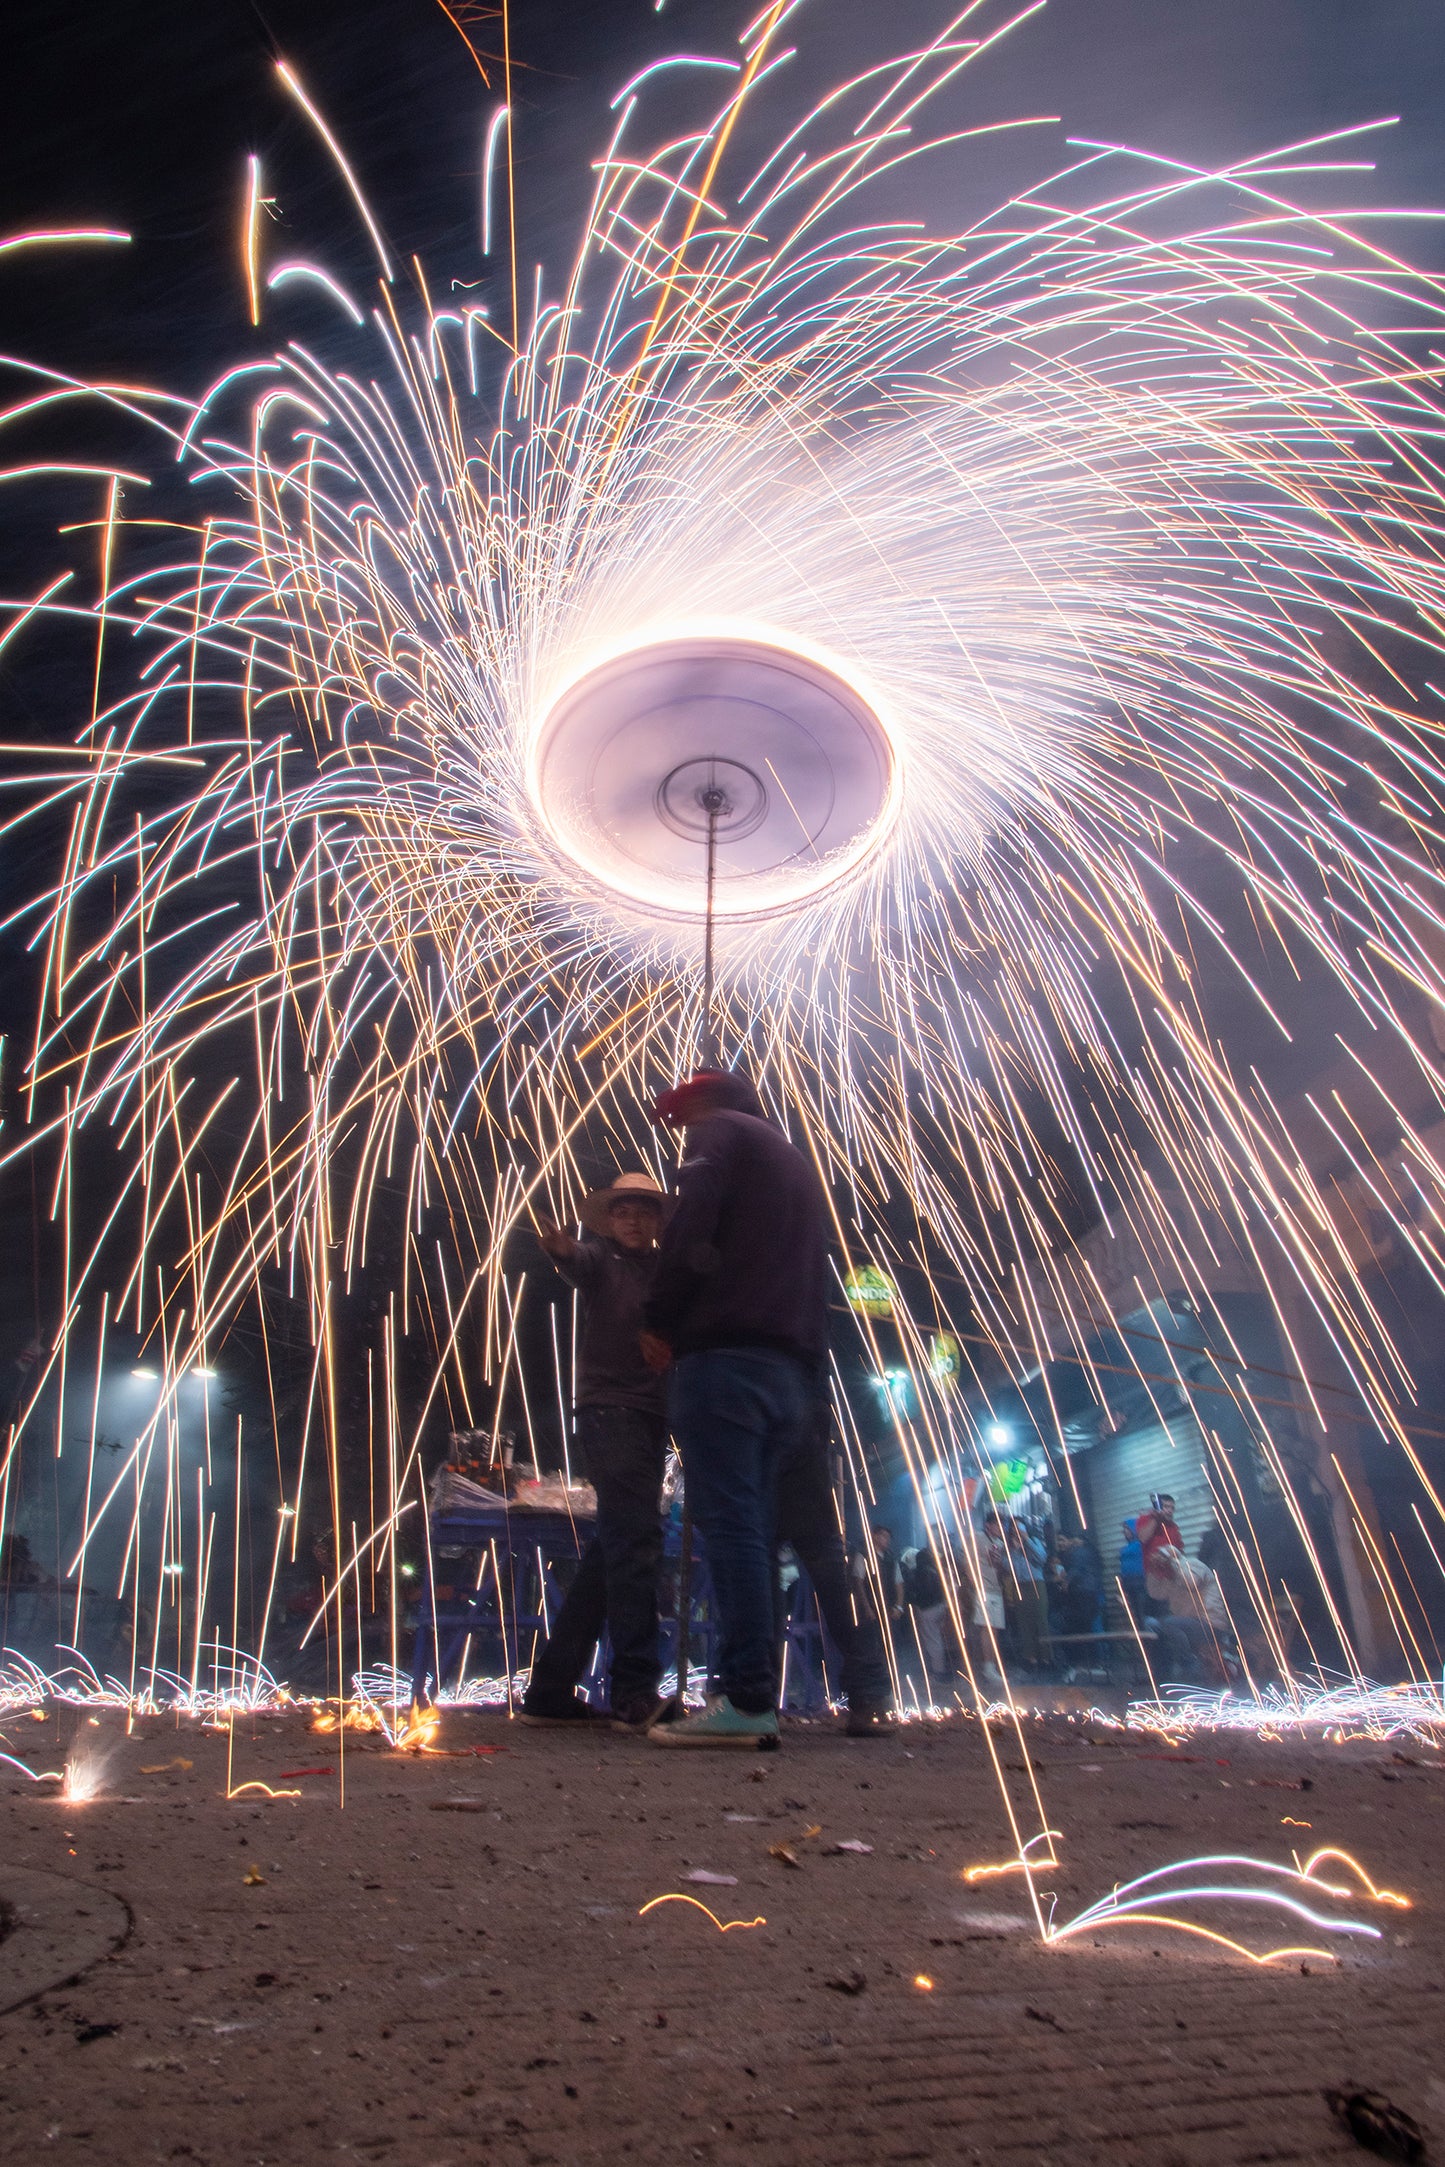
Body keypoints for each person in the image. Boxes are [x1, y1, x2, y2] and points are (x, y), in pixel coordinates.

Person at [640, 1067, 829, 1748]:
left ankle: (746, 1696)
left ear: (702, 1104)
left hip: (726, 1361)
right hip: (789, 1371)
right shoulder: (789, 1159)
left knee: (731, 1529)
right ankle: (748, 1692)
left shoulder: (716, 1132)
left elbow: (689, 1226)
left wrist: (657, 1316)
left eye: (680, 1114)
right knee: (754, 1530)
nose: (678, 1128)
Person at [521, 1170, 674, 1732]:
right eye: (623, 1211)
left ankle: (550, 1690)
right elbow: (576, 1260)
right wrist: (560, 1249)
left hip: (651, 1417)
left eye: (645, 1211)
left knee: (614, 1549)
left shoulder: (665, 1270)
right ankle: (634, 1691)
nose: (633, 1220)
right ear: (608, 1222)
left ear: (658, 1221)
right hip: (610, 1413)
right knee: (636, 1544)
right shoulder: (600, 1260)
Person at [774, 1405, 896, 1734]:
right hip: (806, 1449)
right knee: (830, 1572)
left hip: (771, 1447)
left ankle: (750, 1697)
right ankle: (871, 1695)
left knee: (757, 1565)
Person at [903, 1541, 950, 1695]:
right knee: (936, 1639)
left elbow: (914, 1593)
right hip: (939, 1607)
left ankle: (938, 1673)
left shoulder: (918, 1573)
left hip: (927, 1610)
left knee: (932, 1640)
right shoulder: (935, 1571)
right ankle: (937, 1670)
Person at [1136, 1493, 1185, 1612]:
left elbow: (1180, 1552)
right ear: (1157, 1506)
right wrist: (1156, 1519)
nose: (1170, 1511)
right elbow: (1143, 1538)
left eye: (1172, 1508)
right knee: (1158, 1613)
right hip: (1154, 1577)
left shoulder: (1173, 1527)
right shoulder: (1145, 1519)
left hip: (1172, 1577)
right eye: (1166, 1507)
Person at [1052, 1532, 1103, 1636]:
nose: (1060, 1543)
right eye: (1058, 1541)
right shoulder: (1068, 1555)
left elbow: (1076, 1569)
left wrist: (1066, 1582)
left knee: (1089, 1625)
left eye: (1062, 1540)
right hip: (1086, 1591)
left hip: (1084, 1593)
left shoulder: (1077, 1553)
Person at [1118, 1517, 1147, 1621]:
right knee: (1136, 1614)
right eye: (1124, 1529)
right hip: (1129, 1585)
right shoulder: (1126, 1547)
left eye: (1127, 1528)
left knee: (1142, 1612)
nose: (1125, 1531)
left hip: (1141, 1584)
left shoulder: (1142, 1544)